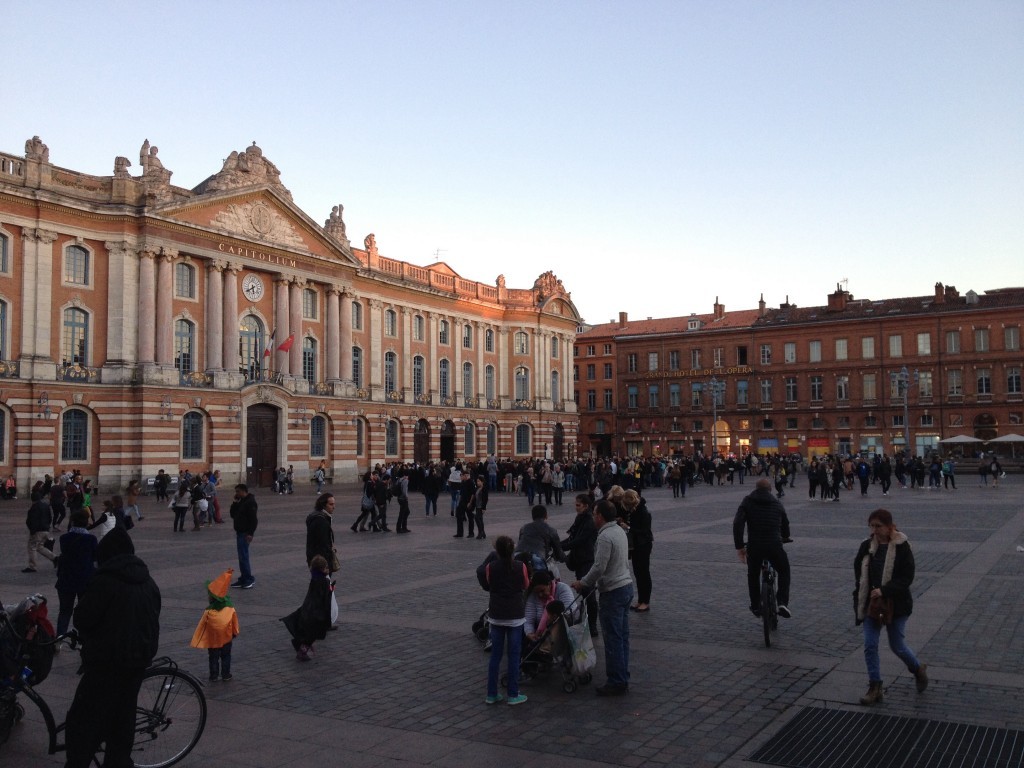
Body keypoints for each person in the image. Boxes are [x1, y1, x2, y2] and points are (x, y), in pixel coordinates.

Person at [63, 526, 161, 768]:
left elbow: (83, 618)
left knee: (83, 721)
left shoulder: (105, 581)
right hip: (138, 661)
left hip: (105, 663)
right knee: (122, 720)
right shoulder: (148, 581)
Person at [853, 508, 928, 705]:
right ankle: (875, 687)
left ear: (890, 527)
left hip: (897, 604)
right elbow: (859, 574)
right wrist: (860, 597)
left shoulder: (902, 546)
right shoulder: (866, 546)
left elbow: (906, 577)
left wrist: (884, 591)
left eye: (878, 526)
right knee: (870, 644)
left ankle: (918, 669)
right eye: (871, 526)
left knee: (897, 646)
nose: (874, 530)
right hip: (871, 604)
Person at [571, 500, 633, 696]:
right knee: (622, 636)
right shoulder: (619, 531)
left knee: (613, 638)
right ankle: (622, 674)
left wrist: (583, 582)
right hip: (626, 586)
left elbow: (599, 567)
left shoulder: (605, 536)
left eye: (594, 513)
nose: (593, 517)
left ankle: (616, 680)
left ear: (600, 516)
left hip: (613, 591)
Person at [476, 535, 530, 705]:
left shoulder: (490, 567)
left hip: (496, 614)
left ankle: (491, 694)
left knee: (495, 656)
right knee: (514, 656)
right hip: (515, 615)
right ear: (512, 549)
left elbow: (488, 584)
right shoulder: (520, 566)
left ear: (497, 551)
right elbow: (526, 585)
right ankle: (513, 694)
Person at [733, 478, 792, 619]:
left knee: (753, 575)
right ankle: (782, 602)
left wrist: (740, 546)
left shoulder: (748, 501)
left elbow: (738, 523)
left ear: (756, 488)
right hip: (774, 545)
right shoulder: (777, 503)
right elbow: (785, 524)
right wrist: (785, 536)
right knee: (784, 570)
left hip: (755, 546)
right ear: (770, 489)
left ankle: (755, 605)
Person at [190, 569, 240, 682]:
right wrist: (234, 633)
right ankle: (226, 674)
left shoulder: (209, 612)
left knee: (213, 657)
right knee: (226, 656)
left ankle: (213, 675)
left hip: (213, 640)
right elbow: (234, 622)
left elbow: (203, 626)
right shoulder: (230, 608)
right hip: (226, 637)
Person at [281, 555, 334, 661]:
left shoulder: (315, 579)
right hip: (317, 612)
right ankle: (302, 649)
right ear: (321, 569)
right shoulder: (324, 581)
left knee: (309, 631)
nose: (327, 569)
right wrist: (330, 589)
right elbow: (324, 598)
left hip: (309, 609)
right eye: (326, 567)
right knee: (313, 633)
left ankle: (300, 643)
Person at [53, 509, 97, 636]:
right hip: (85, 579)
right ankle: (84, 637)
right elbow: (95, 558)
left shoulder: (64, 538)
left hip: (66, 578)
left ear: (72, 522)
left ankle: (59, 638)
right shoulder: (91, 539)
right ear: (86, 523)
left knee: (64, 611)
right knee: (84, 611)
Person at [562, 494, 599, 637]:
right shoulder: (580, 518)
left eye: (578, 505)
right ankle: (587, 622)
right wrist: (558, 545)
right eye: (576, 504)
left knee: (589, 593)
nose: (576, 507)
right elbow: (572, 537)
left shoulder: (589, 521)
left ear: (586, 506)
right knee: (584, 592)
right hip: (579, 560)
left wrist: (561, 547)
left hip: (587, 560)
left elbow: (579, 540)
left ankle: (592, 625)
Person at [524, 570, 576, 649]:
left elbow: (569, 613)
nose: (540, 595)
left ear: (549, 584)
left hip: (564, 630)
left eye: (542, 591)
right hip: (541, 635)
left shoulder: (563, 589)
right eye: (537, 592)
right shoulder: (533, 597)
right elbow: (528, 620)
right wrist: (529, 633)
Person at [620, 489, 653, 612]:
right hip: (636, 544)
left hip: (643, 544)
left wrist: (628, 527)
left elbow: (644, 531)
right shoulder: (634, 511)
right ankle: (640, 600)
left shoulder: (643, 511)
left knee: (644, 573)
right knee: (638, 573)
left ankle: (645, 601)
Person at [516, 504, 565, 576]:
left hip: (518, 557)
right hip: (537, 559)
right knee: (551, 575)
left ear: (532, 517)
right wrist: (565, 559)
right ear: (546, 516)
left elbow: (521, 541)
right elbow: (558, 551)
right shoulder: (551, 530)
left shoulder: (524, 528)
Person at [229, 484, 258, 588]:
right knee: (241, 557)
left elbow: (254, 520)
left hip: (245, 533)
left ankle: (249, 579)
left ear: (243, 491)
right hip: (239, 532)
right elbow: (232, 514)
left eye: (238, 491)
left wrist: (250, 533)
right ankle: (243, 578)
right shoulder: (241, 501)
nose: (236, 493)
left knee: (244, 557)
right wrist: (234, 503)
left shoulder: (250, 502)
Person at [306, 493, 339, 575]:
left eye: (334, 504)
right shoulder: (321, 521)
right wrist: (326, 562)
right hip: (321, 562)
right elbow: (322, 543)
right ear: (323, 505)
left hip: (315, 559)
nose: (334, 507)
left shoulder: (318, 516)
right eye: (331, 504)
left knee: (317, 581)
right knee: (322, 581)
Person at [24, 489, 56, 572]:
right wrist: (47, 526)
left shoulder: (34, 508)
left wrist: (32, 531)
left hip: (37, 530)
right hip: (45, 529)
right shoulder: (45, 506)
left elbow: (32, 520)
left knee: (32, 547)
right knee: (40, 547)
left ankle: (32, 566)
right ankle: (55, 558)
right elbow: (50, 517)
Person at [453, 469, 476, 538]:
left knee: (470, 517)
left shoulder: (471, 482)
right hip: (462, 502)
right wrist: (459, 502)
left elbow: (473, 494)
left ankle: (471, 533)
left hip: (468, 503)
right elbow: (461, 493)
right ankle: (460, 533)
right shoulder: (463, 482)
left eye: (461, 476)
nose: (460, 477)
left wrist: (470, 502)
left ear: (465, 476)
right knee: (458, 516)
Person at [472, 474, 488, 540]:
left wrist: (484, 508)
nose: (477, 482)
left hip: (481, 506)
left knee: (477, 518)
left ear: (482, 482)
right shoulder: (477, 488)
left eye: (479, 481)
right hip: (477, 506)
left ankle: (480, 532)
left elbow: (485, 499)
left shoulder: (484, 489)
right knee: (480, 519)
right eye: (477, 481)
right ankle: (482, 533)